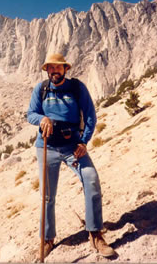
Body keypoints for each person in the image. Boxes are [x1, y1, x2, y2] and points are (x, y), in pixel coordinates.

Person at [27, 53, 115, 258]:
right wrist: (42, 118)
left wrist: (84, 141)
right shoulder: (41, 89)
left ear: (65, 69)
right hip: (46, 147)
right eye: (50, 68)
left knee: (91, 180)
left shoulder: (76, 87)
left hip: (72, 148)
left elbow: (91, 115)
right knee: (47, 196)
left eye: (58, 67)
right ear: (47, 70)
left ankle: (95, 234)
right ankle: (47, 239)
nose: (54, 71)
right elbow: (30, 114)